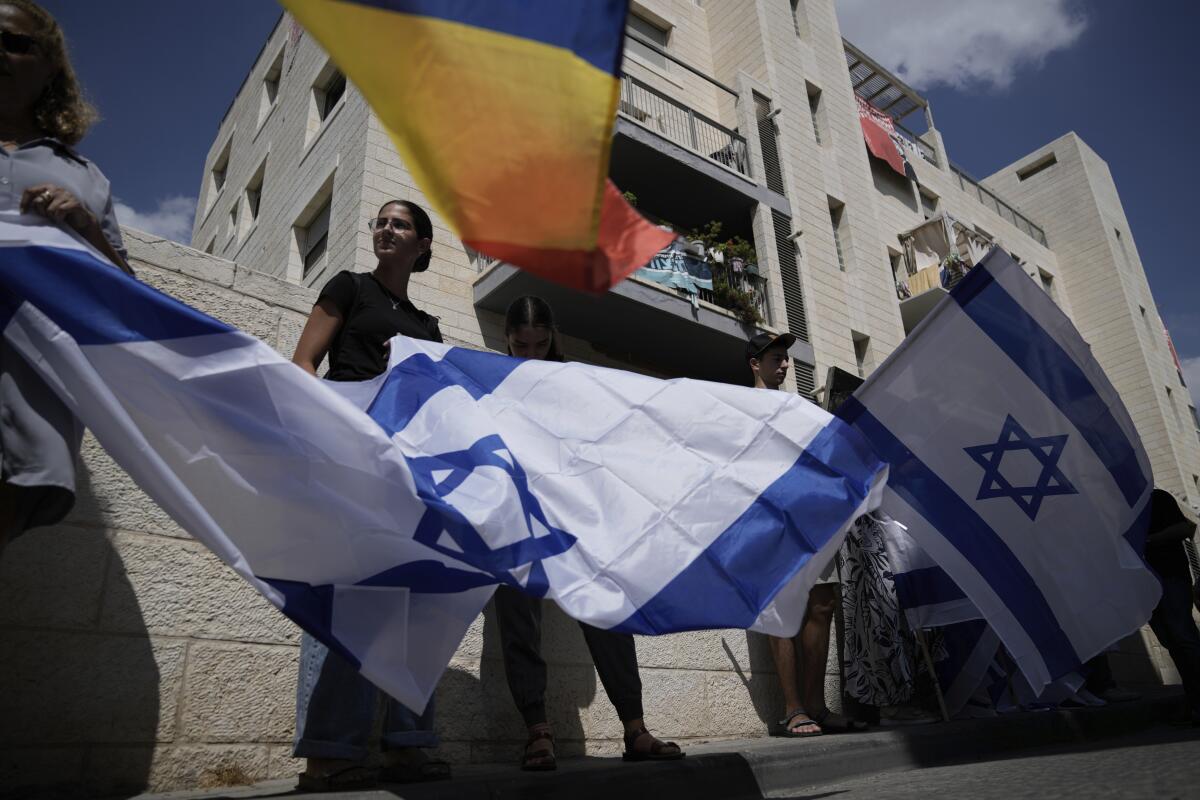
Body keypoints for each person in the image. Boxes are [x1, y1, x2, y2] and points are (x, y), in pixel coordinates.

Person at [288, 199, 450, 790]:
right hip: (349, 462)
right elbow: (302, 365)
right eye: (381, 221)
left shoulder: (429, 327)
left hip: (405, 478)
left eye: (400, 224)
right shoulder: (349, 287)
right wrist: (342, 428)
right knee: (345, 600)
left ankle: (409, 743)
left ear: (423, 245)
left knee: (411, 605)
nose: (386, 229)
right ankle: (331, 751)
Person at [493, 296, 684, 770]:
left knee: (607, 609)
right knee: (517, 614)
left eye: (540, 344)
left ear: (553, 336)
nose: (531, 354)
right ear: (507, 340)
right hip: (516, 516)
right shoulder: (492, 382)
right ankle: (537, 730)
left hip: (575, 514)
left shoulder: (577, 381)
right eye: (522, 345)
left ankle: (635, 729)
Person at [0, 0, 134, 553]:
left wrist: (83, 226)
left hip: (28, 399)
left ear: (51, 64)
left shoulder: (83, 177)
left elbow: (127, 295)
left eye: (14, 42)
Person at [746, 333, 867, 736]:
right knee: (780, 611)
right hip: (769, 524)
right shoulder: (742, 409)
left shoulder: (802, 407)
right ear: (755, 364)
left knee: (821, 604)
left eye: (787, 359)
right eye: (776, 358)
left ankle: (817, 705)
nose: (784, 365)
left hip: (810, 520)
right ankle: (793, 709)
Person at [1142, 489, 1200, 726]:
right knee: (1172, 642)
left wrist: (1148, 541)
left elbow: (1185, 528)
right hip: (1147, 584)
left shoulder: (1157, 498)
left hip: (1171, 577)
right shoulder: (1121, 507)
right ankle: (1194, 700)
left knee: (1183, 637)